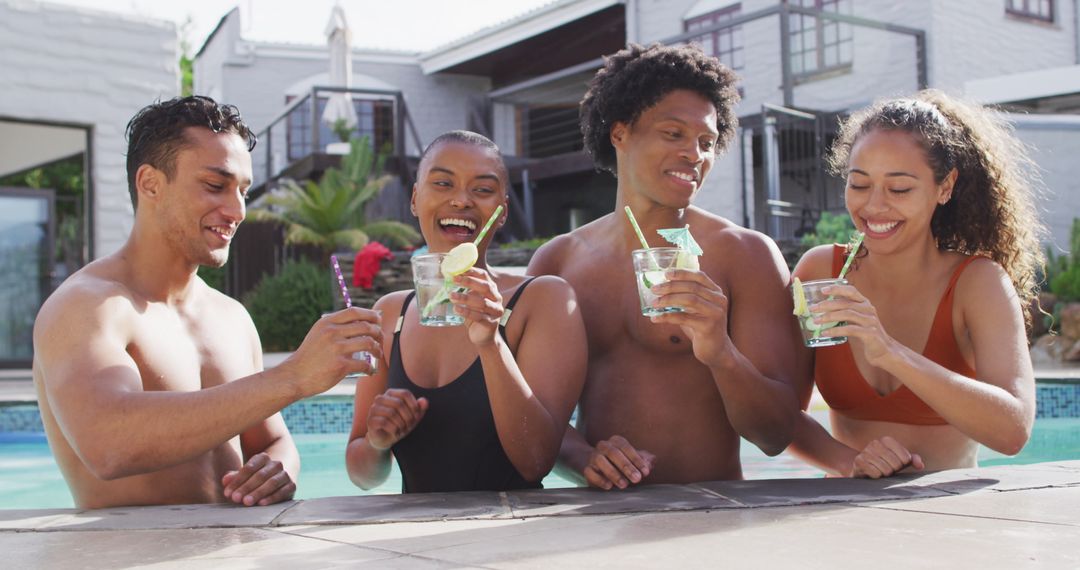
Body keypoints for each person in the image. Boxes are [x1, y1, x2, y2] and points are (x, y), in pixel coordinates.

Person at [32, 96, 381, 509]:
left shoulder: (231, 316)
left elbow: (270, 440)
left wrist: (277, 468)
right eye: (215, 186)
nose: (237, 210)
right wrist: (294, 377)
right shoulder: (88, 306)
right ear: (150, 184)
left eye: (243, 191)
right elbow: (107, 443)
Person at [527, 43, 805, 490]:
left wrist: (721, 353)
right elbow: (530, 417)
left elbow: (775, 434)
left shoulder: (745, 254)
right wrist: (584, 457)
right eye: (673, 134)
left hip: (712, 517)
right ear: (619, 133)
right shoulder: (557, 260)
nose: (694, 154)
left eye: (707, 142)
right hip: (596, 525)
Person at [787, 90, 1042, 478]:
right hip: (842, 513)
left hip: (952, 517)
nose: (873, 206)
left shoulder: (978, 283)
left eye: (899, 188)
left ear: (945, 187)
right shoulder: (821, 270)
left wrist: (889, 350)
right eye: (858, 184)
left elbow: (1013, 432)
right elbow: (780, 415)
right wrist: (847, 461)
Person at [345, 131, 587, 493]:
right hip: (413, 542)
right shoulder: (390, 313)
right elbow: (362, 476)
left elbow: (535, 461)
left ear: (501, 212)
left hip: (513, 537)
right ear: (415, 199)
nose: (461, 201)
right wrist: (378, 442)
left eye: (483, 190)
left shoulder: (543, 300)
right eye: (442, 183)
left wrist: (491, 344)